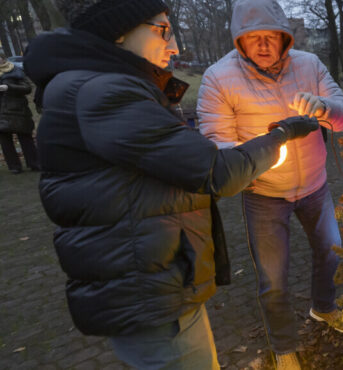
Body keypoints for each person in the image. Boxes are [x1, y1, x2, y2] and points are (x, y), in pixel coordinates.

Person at [23, 0, 318, 368]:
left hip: (144, 277)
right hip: (147, 290)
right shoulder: (103, 93)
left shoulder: (92, 85)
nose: (175, 45)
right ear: (118, 30)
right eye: (162, 30)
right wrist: (282, 135)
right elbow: (215, 171)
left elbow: (162, 165)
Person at [197, 0, 343, 368]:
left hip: (315, 186)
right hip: (264, 194)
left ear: (285, 37)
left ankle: (324, 307)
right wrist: (265, 149)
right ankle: (284, 345)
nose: (264, 45)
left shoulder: (309, 65)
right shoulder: (218, 78)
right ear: (239, 39)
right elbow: (217, 148)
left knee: (332, 253)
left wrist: (324, 108)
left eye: (272, 36)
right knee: (274, 279)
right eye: (254, 37)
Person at [0, 55, 39, 174]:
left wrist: (9, 87)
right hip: (1, 111)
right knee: (5, 139)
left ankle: (34, 163)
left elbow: (27, 88)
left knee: (25, 136)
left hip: (17, 109)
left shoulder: (15, 70)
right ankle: (14, 166)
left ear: (3, 58)